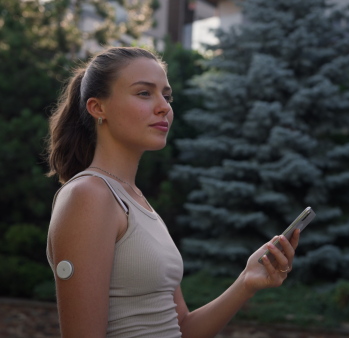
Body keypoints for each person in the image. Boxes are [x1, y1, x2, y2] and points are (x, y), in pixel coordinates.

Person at [45, 46, 300, 338]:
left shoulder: (137, 201)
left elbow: (181, 329)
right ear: (98, 108)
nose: (163, 106)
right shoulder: (89, 195)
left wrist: (246, 282)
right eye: (144, 93)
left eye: (166, 96)